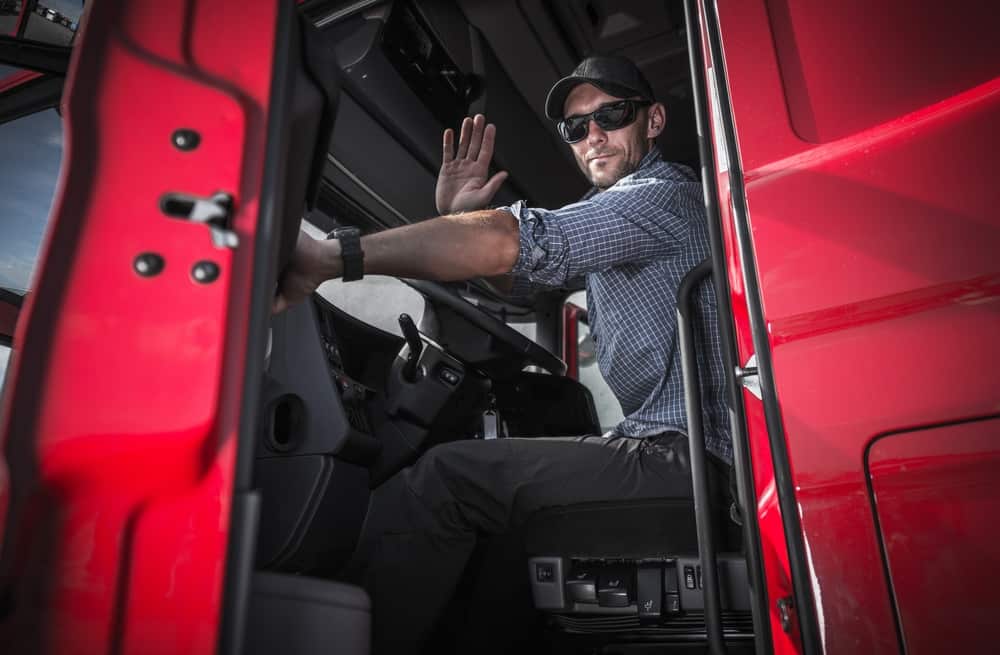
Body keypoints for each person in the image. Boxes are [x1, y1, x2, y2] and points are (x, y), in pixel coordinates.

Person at [276, 55, 730, 653]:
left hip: (692, 461)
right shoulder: (632, 219)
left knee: (445, 479)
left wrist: (332, 257)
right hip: (676, 453)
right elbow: (512, 280)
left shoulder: (659, 198)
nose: (592, 135)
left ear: (653, 121)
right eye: (575, 126)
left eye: (611, 115)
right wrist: (458, 219)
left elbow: (510, 244)